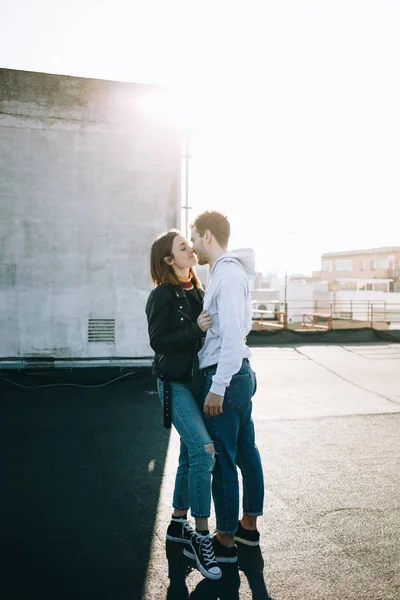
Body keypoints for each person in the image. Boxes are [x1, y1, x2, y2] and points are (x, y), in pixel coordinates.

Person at [184, 211, 264, 565]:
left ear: (207, 235)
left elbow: (231, 338)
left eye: (194, 238)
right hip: (238, 375)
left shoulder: (228, 275)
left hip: (227, 378)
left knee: (224, 461)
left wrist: (217, 387)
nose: (192, 245)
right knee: (246, 452)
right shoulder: (226, 273)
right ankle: (248, 527)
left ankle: (227, 540)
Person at [145, 229, 222, 581]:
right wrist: (194, 329)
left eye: (190, 245)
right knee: (204, 452)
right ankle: (201, 536)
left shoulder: (200, 291)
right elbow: (158, 341)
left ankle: (178, 524)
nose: (191, 249)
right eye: (183, 247)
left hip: (196, 383)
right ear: (168, 260)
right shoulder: (162, 295)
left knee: (192, 455)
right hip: (173, 384)